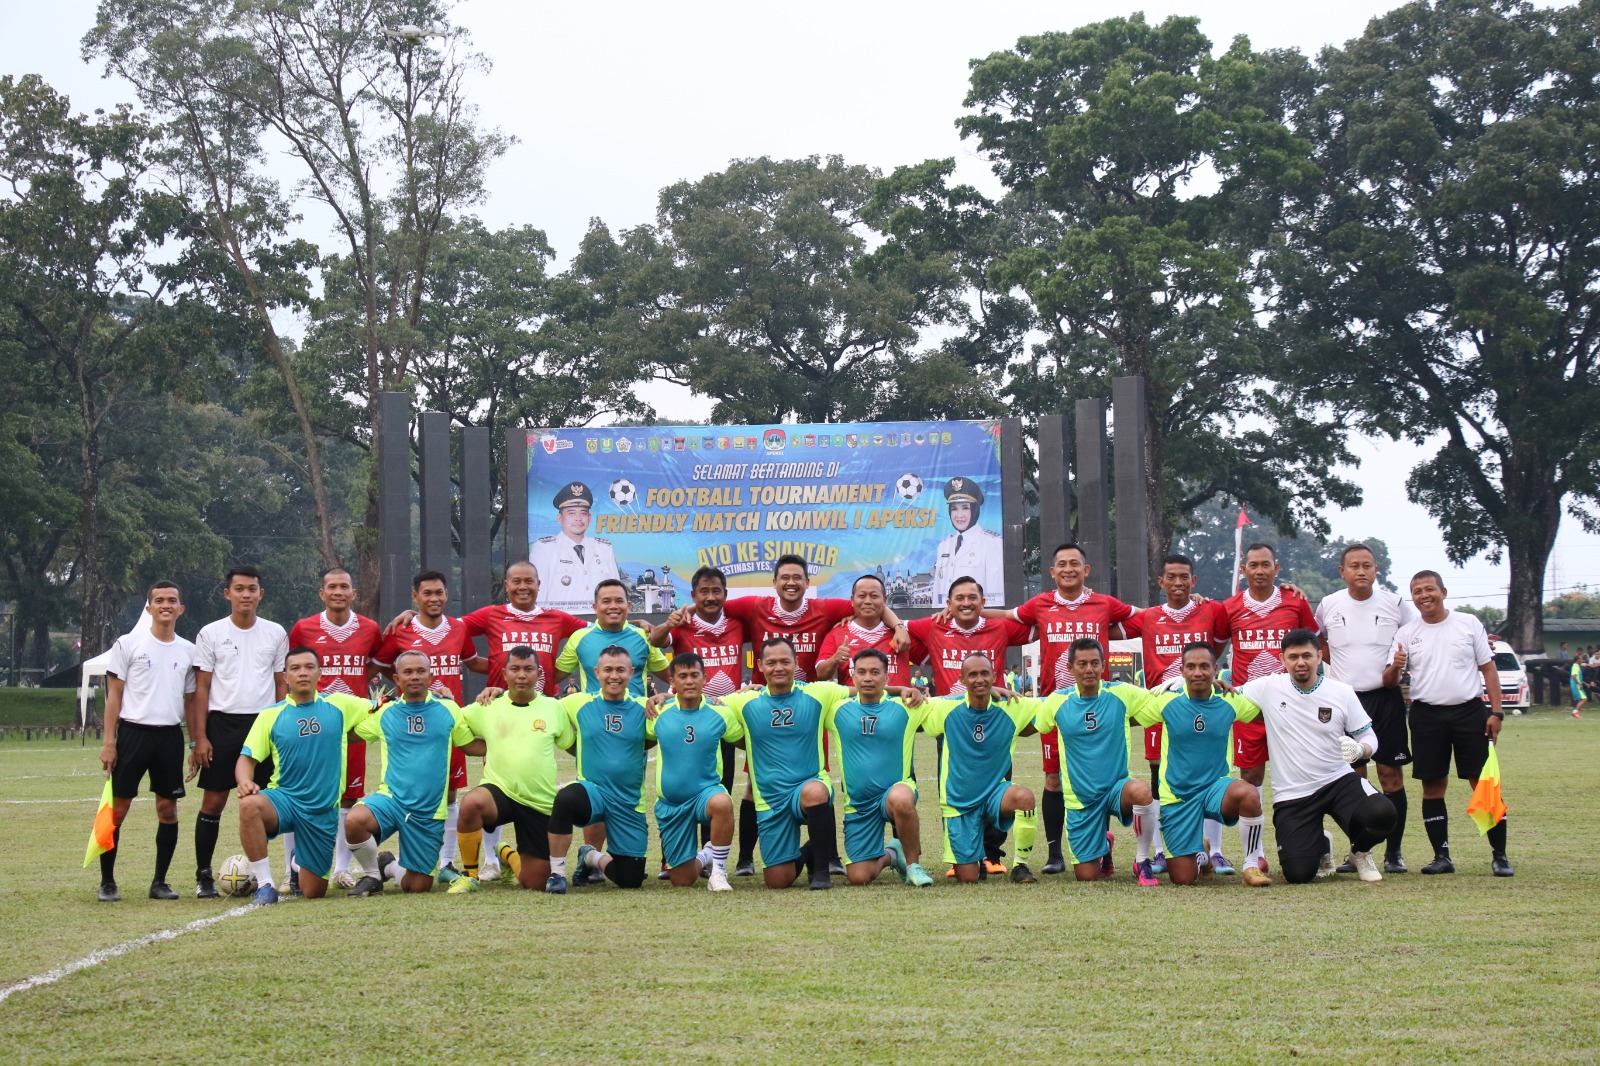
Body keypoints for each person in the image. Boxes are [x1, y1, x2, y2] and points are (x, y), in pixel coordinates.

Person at [719, 554, 909, 874]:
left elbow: (870, 604)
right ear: (774, 582)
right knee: (755, 785)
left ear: (808, 583)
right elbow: (710, 604)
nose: (791, 583)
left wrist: (899, 624)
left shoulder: (825, 609)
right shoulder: (754, 606)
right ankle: (746, 859)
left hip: (809, 706)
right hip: (764, 706)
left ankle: (830, 856)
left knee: (819, 781)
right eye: (785, 577)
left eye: (798, 577)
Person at [979, 543, 1135, 875]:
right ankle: (1055, 854)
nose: (1068, 569)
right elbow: (1008, 616)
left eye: (1074, 564)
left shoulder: (1104, 604)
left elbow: (1143, 617)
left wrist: (1194, 603)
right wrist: (966, 611)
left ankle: (1100, 844)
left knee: (1099, 779)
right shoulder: (1041, 604)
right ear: (1052, 572)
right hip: (1057, 705)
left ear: (1086, 569)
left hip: (1096, 704)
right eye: (1061, 564)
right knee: (1053, 779)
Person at [1238, 629, 1397, 884]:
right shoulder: (1268, 686)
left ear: (1319, 656)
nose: (1300, 662)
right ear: (1282, 659)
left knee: (1382, 812)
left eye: (1307, 656)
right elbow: (1224, 693)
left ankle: (1360, 852)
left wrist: (1360, 751)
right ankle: (1321, 843)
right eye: (1293, 657)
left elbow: (1369, 737)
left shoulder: (1341, 691)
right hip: (1293, 793)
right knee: (1299, 874)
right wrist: (1184, 685)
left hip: (1338, 780)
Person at [1384, 571, 1512, 876]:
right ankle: (1441, 856)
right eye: (1417, 591)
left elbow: (1488, 670)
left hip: (1470, 712)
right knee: (1433, 785)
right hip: (1427, 715)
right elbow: (1389, 680)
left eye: (1430, 589)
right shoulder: (1406, 633)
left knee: (1481, 783)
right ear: (1412, 597)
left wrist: (1496, 712)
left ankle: (1500, 855)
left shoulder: (1467, 623)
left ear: (1443, 591)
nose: (1424, 595)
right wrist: (1396, 668)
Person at [907, 575, 1033, 873]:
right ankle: (959, 854)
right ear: (948, 604)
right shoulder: (932, 626)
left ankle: (992, 854)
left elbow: (1037, 624)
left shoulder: (999, 627)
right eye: (959, 598)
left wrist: (991, 615)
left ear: (983, 602)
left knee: (999, 783)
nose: (966, 603)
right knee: (952, 788)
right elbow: (898, 626)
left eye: (972, 598)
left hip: (992, 716)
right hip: (954, 721)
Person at [373, 570, 487, 882]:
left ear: (447, 595)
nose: (434, 599)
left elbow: (474, 661)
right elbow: (382, 667)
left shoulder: (459, 628)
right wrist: (407, 691)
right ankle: (410, 860)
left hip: (449, 721)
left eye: (439, 593)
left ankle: (446, 864)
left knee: (450, 791)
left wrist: (509, 669)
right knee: (413, 790)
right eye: (427, 594)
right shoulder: (402, 629)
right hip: (413, 721)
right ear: (415, 597)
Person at [1119, 553, 1229, 875]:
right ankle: (1161, 852)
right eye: (1172, 577)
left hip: (1200, 704)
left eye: (1185, 577)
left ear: (1194, 581)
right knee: (1158, 779)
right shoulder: (1148, 617)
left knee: (1208, 774)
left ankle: (1218, 851)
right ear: (1161, 582)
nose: (1178, 583)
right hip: (1163, 708)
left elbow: (1220, 643)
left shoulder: (1210, 610)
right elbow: (1107, 628)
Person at [234, 647, 371, 904]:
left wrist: (437, 698)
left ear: (320, 673)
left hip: (322, 811)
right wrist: (244, 781)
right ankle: (265, 885)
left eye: (309, 667)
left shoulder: (340, 704)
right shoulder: (270, 715)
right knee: (250, 804)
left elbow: (384, 708)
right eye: (295, 668)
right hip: (285, 800)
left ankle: (299, 862)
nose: (302, 673)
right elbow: (246, 758)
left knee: (313, 892)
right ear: (285, 676)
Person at [1128, 644, 1271, 887]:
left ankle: (1251, 865)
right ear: (1182, 671)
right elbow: (1127, 714)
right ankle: (1203, 855)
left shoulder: (1230, 700)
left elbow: (1267, 712)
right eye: (1191, 667)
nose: (1198, 673)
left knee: (1248, 793)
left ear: (1216, 669)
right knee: (1183, 879)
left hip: (1215, 789)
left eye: (1205, 667)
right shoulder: (1167, 701)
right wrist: (1154, 690)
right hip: (1177, 795)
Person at [1315, 543, 1417, 873]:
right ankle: (1359, 850)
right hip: (1344, 700)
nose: (1362, 571)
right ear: (1341, 571)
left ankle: (1394, 853)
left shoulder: (1396, 604)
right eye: (1354, 566)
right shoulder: (1329, 605)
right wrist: (1341, 668)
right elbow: (1319, 642)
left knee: (1390, 775)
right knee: (1354, 778)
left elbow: (1411, 640)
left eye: (1368, 565)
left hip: (1384, 700)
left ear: (1376, 570)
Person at [720, 638, 853, 890]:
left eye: (784, 661)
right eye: (771, 662)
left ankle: (822, 872)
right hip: (770, 798)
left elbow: (863, 691)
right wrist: (663, 697)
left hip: (807, 784)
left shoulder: (818, 692)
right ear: (760, 665)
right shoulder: (743, 701)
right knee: (778, 881)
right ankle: (810, 852)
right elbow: (703, 705)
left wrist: (901, 691)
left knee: (815, 791)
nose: (778, 667)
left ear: (796, 663)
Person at [1217, 542, 1316, 874]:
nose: (1259, 571)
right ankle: (1254, 852)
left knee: (1301, 775)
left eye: (1265, 565)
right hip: (1249, 706)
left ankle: (1310, 842)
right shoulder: (1229, 607)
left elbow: (1314, 647)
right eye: (1253, 565)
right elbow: (1215, 648)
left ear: (1276, 567)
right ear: (1243, 570)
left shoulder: (1295, 602)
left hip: (1292, 705)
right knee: (1251, 777)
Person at [190, 566, 288, 899]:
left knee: (272, 800)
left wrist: (280, 727)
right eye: (239, 589)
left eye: (252, 589)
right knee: (214, 801)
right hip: (222, 725)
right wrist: (200, 738)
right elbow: (201, 687)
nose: (246, 594)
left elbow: (280, 684)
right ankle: (203, 876)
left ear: (261, 593)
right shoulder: (211, 633)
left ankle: (288, 873)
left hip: (264, 725)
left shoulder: (275, 632)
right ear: (227, 593)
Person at [96, 581, 198, 902]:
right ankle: (108, 882)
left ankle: (159, 883)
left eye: (172, 600)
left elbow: (192, 701)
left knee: (168, 810)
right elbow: (114, 698)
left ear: (180, 609)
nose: (166, 605)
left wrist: (195, 744)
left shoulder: (188, 650)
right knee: (118, 810)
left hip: (169, 736)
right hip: (132, 735)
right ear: (149, 607)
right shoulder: (128, 644)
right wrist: (109, 742)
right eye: (159, 600)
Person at [345, 651, 477, 896]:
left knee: (417, 886)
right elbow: (352, 734)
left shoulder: (449, 709)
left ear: (431, 676)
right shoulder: (385, 712)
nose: (414, 676)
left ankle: (390, 867)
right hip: (392, 800)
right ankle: (373, 875)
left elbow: (469, 745)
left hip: (428, 811)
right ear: (396, 678)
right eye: (408, 672)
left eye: (420, 671)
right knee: (354, 820)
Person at [1033, 639, 1162, 885]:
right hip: (1080, 799)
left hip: (1116, 789)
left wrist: (1202, 687)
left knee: (1142, 791)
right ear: (1070, 668)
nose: (1089, 669)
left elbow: (1160, 702)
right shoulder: (1056, 701)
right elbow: (1028, 716)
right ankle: (1104, 845)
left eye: (1094, 663)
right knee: (1087, 876)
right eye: (1082, 664)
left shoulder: (1122, 693)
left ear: (1103, 665)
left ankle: (1143, 859)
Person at [448, 645, 572, 894]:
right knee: (471, 803)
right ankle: (470, 875)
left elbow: (569, 744)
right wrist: (446, 701)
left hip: (539, 801)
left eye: (528, 669)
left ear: (538, 674)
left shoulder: (554, 708)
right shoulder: (488, 705)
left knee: (536, 883)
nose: (521, 675)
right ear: (504, 674)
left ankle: (505, 855)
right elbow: (457, 722)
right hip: (500, 791)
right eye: (514, 669)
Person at [288, 566, 382, 889]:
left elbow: (377, 663)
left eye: (345, 587)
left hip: (350, 724)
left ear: (353, 593)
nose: (338, 592)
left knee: (348, 797)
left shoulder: (369, 628)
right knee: (302, 795)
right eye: (332, 587)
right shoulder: (304, 628)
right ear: (322, 593)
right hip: (312, 725)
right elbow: (293, 668)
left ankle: (342, 867)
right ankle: (293, 870)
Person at [921, 654, 1038, 884]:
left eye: (985, 673)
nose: (979, 679)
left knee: (1024, 797)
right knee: (968, 879)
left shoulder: (1011, 705)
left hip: (995, 795)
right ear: (962, 679)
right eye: (972, 674)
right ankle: (973, 861)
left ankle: (1021, 865)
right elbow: (909, 705)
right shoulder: (945, 708)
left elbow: (1052, 707)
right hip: (959, 801)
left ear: (995, 677)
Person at [544, 645, 653, 893]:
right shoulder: (576, 703)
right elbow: (539, 704)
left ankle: (590, 856)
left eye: (620, 670)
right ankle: (557, 873)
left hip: (628, 801)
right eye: (608, 670)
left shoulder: (645, 706)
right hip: (593, 793)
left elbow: (681, 712)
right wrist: (497, 692)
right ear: (596, 672)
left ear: (631, 673)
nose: (614, 676)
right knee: (566, 798)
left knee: (630, 880)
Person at [826, 648, 935, 887]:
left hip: (893, 794)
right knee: (859, 877)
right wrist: (757, 689)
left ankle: (913, 865)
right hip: (859, 805)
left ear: (886, 678)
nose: (868, 678)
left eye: (875, 672)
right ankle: (893, 854)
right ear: (853, 676)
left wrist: (991, 692)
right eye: (862, 672)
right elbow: (797, 695)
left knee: (902, 796)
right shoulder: (835, 710)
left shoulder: (908, 706)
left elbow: (950, 705)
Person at [647, 652, 741, 891]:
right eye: (682, 676)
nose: (689, 681)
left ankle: (718, 872)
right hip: (672, 804)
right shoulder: (657, 712)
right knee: (682, 879)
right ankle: (706, 855)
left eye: (694, 675)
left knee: (722, 802)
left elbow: (743, 739)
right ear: (672, 681)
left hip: (705, 796)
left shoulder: (721, 712)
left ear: (704, 678)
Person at [554, 578, 670, 697]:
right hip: (593, 715)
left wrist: (668, 697)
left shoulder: (643, 637)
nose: (613, 606)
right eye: (606, 601)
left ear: (628, 606)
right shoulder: (579, 638)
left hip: (637, 715)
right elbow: (550, 679)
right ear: (595, 607)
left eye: (619, 601)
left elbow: (672, 678)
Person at [815, 574, 923, 687]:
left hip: (898, 703)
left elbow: (932, 659)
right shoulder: (836, 634)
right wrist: (834, 659)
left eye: (874, 596)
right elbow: (821, 674)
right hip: (854, 704)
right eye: (862, 596)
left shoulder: (901, 634)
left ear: (885, 600)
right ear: (852, 600)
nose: (867, 601)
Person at [528, 481, 619, 609]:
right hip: (561, 625)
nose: (578, 518)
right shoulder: (544, 549)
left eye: (583, 513)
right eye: (571, 513)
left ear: (590, 518)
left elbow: (615, 592)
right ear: (559, 518)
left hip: (598, 626)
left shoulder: (604, 549)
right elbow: (538, 597)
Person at [930, 477, 1005, 607]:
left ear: (975, 510)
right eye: (954, 509)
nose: (959, 515)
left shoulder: (993, 543)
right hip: (946, 623)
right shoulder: (944, 545)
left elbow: (995, 598)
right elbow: (938, 596)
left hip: (976, 622)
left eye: (965, 508)